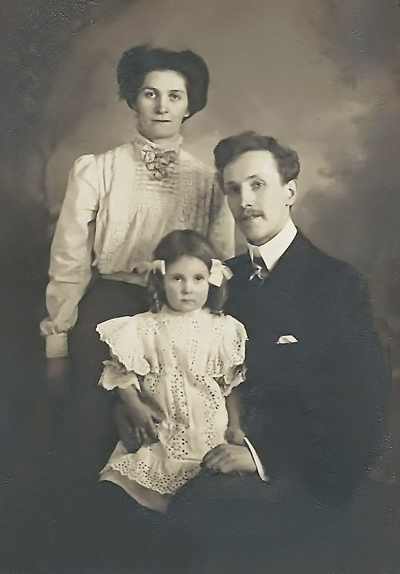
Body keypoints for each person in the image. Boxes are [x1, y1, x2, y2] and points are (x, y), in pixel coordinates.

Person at [167, 131, 389, 573]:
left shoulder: (336, 284)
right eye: (233, 189)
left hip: (303, 475)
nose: (244, 200)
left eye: (257, 184)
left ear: (289, 191)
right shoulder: (218, 281)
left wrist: (258, 456)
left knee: (192, 522)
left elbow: (360, 411)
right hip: (206, 451)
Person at [40, 46, 234, 486]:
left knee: (176, 421)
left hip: (182, 312)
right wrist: (58, 336)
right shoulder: (97, 170)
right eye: (150, 93)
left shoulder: (209, 182)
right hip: (109, 305)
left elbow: (220, 264)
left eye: (175, 96)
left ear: (189, 106)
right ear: (131, 99)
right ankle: (89, 524)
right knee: (92, 421)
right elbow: (69, 260)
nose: (162, 106)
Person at [95, 229, 247, 515]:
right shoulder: (143, 327)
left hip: (209, 433)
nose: (188, 288)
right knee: (119, 492)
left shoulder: (223, 328)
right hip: (161, 434)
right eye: (177, 278)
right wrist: (135, 405)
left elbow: (230, 385)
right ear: (161, 280)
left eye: (198, 279)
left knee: (203, 499)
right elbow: (120, 373)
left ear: (211, 280)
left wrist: (236, 425)